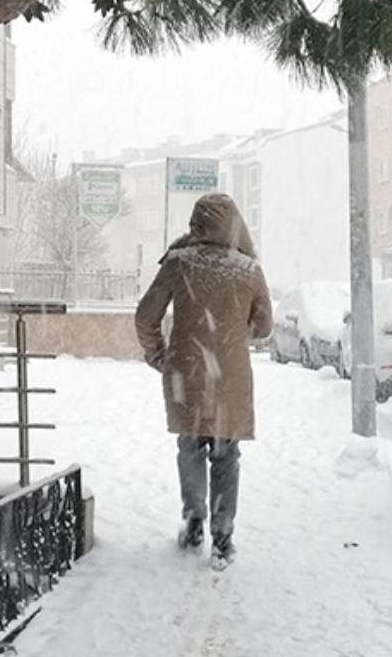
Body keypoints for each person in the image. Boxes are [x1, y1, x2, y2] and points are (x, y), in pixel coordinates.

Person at [135, 193, 272, 570]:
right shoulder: (247, 270)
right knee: (226, 455)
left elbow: (145, 317)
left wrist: (159, 355)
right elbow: (263, 328)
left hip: (187, 374)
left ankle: (194, 520)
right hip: (230, 378)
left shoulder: (178, 263)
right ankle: (223, 536)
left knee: (191, 447)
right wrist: (233, 329)